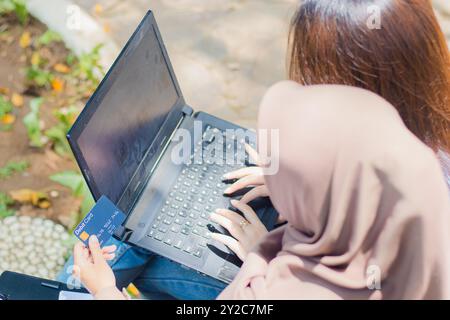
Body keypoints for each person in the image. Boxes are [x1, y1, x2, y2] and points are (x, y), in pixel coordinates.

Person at [58, 0, 450, 299]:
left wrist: (262, 262)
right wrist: (287, 176)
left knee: (104, 269)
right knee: (140, 222)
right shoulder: (424, 155)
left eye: (314, 77)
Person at [73, 83, 450, 299]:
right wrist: (289, 181)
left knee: (129, 249)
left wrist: (106, 291)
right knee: (142, 227)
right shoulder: (425, 176)